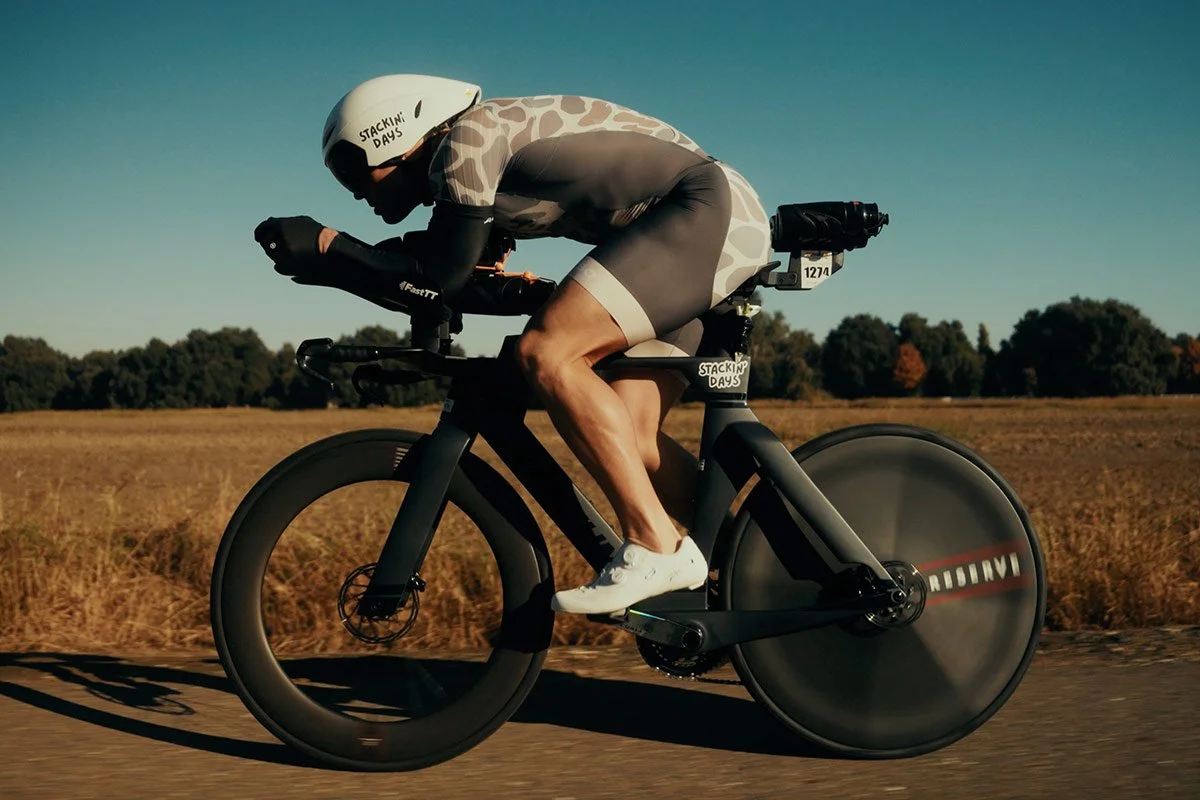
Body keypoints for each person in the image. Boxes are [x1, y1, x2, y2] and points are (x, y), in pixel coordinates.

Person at [254, 74, 772, 615]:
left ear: (395, 137)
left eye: (351, 169)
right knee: (633, 434)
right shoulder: (465, 180)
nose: (355, 191)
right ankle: (757, 566)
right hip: (691, 225)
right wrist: (329, 266)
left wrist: (329, 246)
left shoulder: (467, 141)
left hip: (702, 210)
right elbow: (435, 281)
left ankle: (655, 545)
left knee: (546, 352)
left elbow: (437, 275)